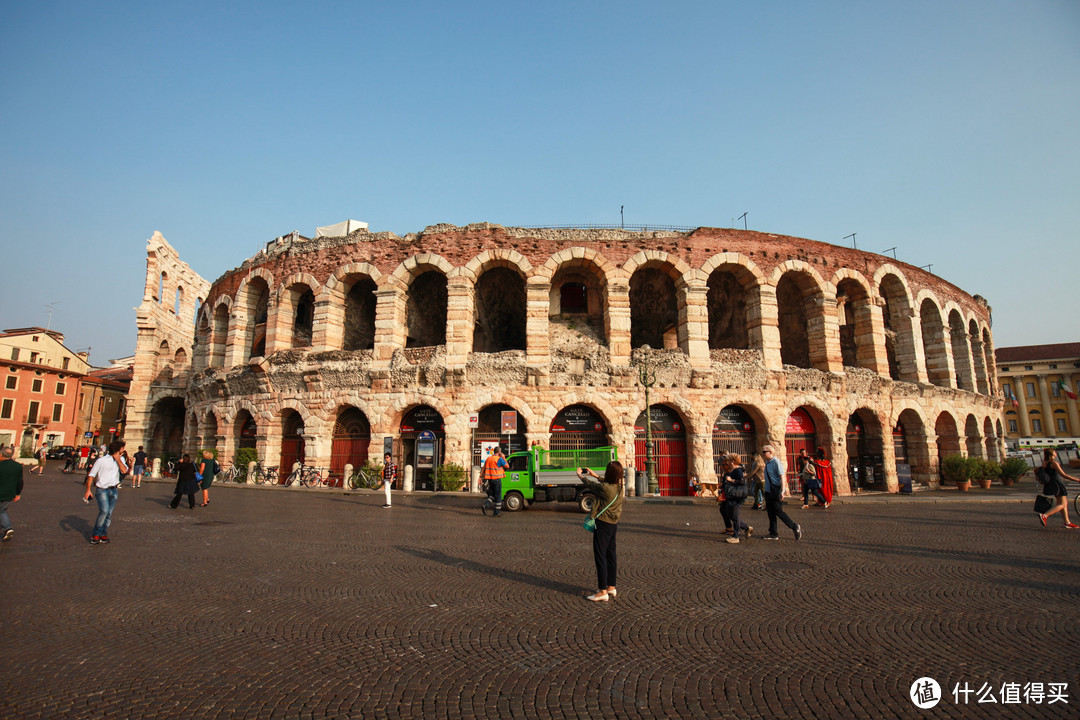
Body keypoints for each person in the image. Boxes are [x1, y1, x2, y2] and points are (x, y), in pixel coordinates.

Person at [578, 460, 624, 602]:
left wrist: (580, 475)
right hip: (613, 524)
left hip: (603, 524)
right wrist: (595, 475)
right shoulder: (619, 486)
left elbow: (591, 486)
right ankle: (611, 586)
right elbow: (605, 483)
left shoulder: (606, 489)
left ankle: (602, 590)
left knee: (600, 555)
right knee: (611, 555)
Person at [84, 440, 129, 544]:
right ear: (118, 449)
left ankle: (103, 533)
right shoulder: (101, 460)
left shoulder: (121, 459)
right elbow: (91, 475)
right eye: (122, 448)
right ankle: (95, 534)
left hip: (114, 490)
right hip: (102, 490)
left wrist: (118, 460)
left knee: (109, 513)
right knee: (104, 511)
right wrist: (88, 490)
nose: (124, 450)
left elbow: (124, 471)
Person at [761, 445, 801, 541]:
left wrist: (782, 491)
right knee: (770, 512)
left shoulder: (776, 462)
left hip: (775, 490)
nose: (762, 454)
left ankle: (794, 526)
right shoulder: (767, 463)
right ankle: (773, 533)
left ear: (770, 452)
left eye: (764, 452)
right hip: (768, 491)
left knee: (778, 511)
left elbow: (782, 477)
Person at [1037, 448, 1079, 529]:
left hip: (1051, 484)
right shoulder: (1054, 463)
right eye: (1054, 452)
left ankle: (1067, 522)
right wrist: (1077, 480)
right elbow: (1064, 475)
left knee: (1063, 503)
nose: (1056, 453)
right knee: (1062, 504)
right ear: (1052, 454)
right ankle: (1045, 515)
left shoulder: (1044, 463)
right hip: (1057, 484)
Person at [721, 454, 753, 544]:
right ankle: (746, 528)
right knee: (730, 514)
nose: (727, 463)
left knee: (735, 516)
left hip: (736, 496)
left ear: (733, 461)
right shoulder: (734, 470)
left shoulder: (738, 470)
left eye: (729, 461)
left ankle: (736, 536)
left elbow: (742, 481)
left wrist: (731, 480)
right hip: (731, 496)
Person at [0, 446, 25, 542]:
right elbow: (20, 482)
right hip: (10, 493)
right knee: (2, 510)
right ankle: (7, 528)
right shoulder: (17, 466)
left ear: (1, 455)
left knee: (1, 511)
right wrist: (18, 493)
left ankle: (7, 527)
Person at [481, 447, 507, 517]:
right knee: (498, 496)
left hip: (490, 480)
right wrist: (504, 457)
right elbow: (507, 466)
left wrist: (480, 477)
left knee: (492, 495)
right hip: (497, 479)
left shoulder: (489, 458)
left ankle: (486, 504)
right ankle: (497, 512)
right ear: (499, 452)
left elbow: (484, 467)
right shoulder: (499, 459)